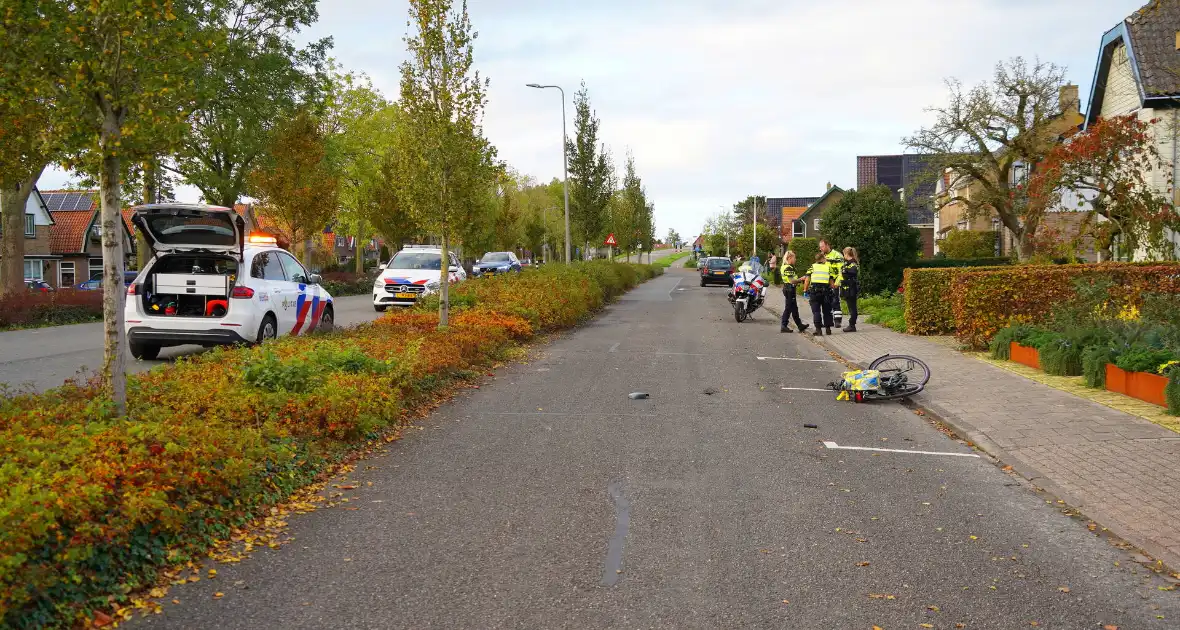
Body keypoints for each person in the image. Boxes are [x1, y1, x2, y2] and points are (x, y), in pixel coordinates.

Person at [802, 252, 834, 336]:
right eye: (825, 258)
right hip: (826, 292)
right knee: (827, 311)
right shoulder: (828, 268)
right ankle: (828, 329)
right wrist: (833, 288)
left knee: (816, 311)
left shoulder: (812, 267)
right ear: (822, 259)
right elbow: (831, 282)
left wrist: (805, 290)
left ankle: (818, 330)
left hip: (815, 292)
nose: (826, 259)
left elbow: (807, 280)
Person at [778, 251, 809, 334]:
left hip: (788, 289)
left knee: (794, 308)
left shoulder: (784, 266)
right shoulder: (788, 268)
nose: (795, 259)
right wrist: (801, 279)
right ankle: (784, 325)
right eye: (794, 258)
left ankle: (800, 325)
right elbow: (792, 281)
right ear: (789, 258)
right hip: (789, 289)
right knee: (788, 308)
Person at [820, 239, 844, 327]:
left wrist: (837, 283)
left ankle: (837, 321)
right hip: (824, 283)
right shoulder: (821, 256)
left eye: (822, 246)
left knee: (835, 301)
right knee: (825, 303)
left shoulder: (837, 255)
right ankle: (828, 321)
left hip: (834, 282)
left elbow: (841, 271)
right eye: (820, 247)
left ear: (827, 245)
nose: (821, 249)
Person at [841, 247, 860, 332]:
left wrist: (845, 270)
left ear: (846, 254)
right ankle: (852, 325)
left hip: (851, 288)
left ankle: (852, 325)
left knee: (852, 307)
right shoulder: (847, 263)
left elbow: (853, 272)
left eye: (843, 254)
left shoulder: (853, 263)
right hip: (847, 288)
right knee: (851, 307)